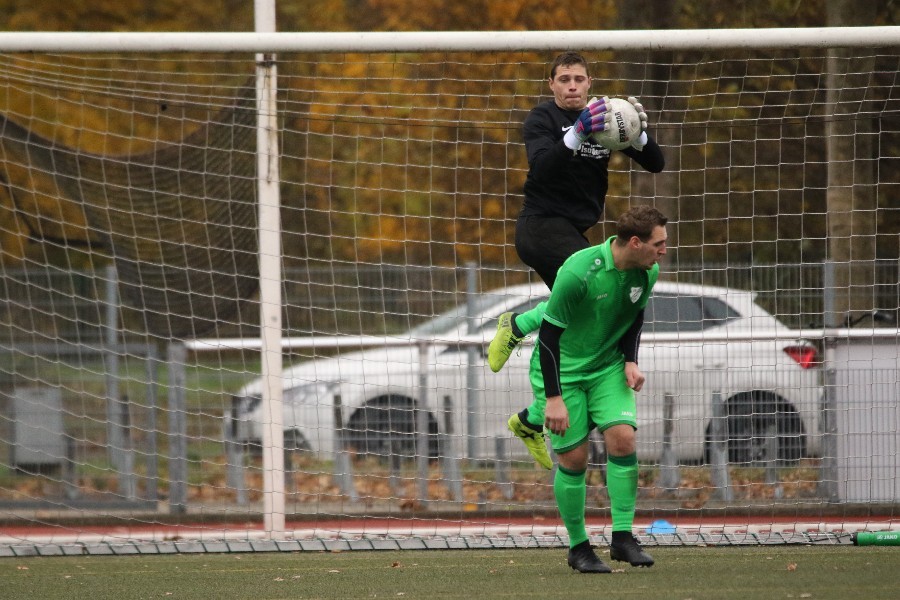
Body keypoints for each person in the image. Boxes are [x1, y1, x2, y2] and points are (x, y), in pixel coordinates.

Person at [487, 51, 665, 470]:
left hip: (574, 232)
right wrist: (577, 134)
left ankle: (530, 419)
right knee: (585, 298)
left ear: (589, 83)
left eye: (579, 79)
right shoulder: (541, 120)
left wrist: (636, 133)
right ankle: (516, 326)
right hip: (541, 226)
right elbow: (544, 169)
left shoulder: (604, 117)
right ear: (551, 85)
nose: (571, 85)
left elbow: (657, 164)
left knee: (580, 318)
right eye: (563, 78)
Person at [530, 205, 668, 572]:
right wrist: (555, 398)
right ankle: (579, 548)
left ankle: (623, 539)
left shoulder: (647, 272)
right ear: (635, 243)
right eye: (659, 243)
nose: (664, 250)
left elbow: (633, 317)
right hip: (564, 372)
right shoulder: (578, 271)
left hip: (607, 367)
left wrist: (630, 360)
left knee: (623, 439)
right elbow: (548, 335)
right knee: (574, 460)